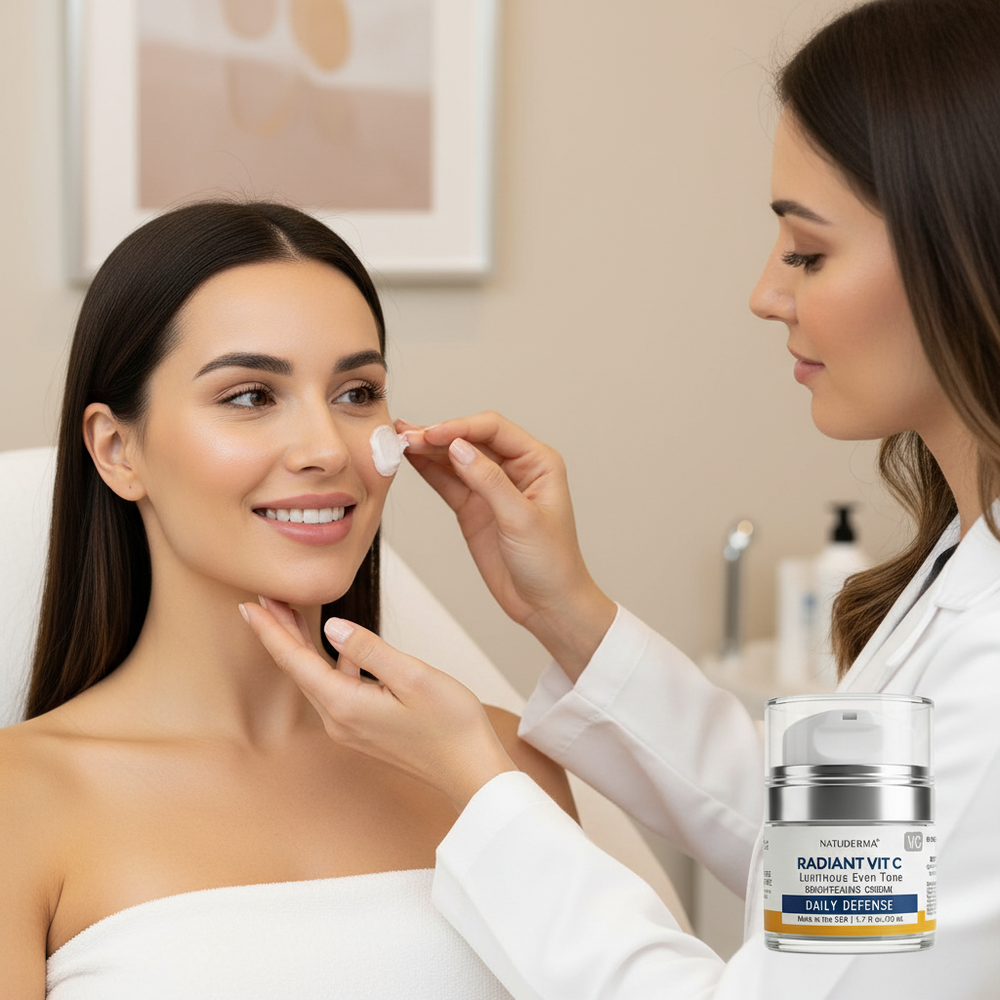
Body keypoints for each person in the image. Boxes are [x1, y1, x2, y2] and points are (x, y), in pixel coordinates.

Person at [243, 1, 1000, 997]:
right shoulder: (962, 567)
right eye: (250, 395)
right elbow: (846, 873)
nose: (765, 294)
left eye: (807, 252)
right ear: (113, 448)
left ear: (966, 249)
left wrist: (483, 783)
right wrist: (572, 617)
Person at [0, 200, 575, 998]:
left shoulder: (505, 764)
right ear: (116, 449)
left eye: (356, 393)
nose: (326, 449)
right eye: (249, 396)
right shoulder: (20, 802)